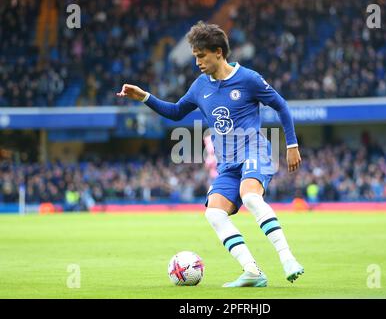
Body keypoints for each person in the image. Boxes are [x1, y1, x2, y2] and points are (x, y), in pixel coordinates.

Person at [117, 21, 304, 287]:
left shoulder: (248, 79)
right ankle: (253, 271)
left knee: (250, 196)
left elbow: (281, 105)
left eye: (201, 56)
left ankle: (288, 259)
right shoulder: (199, 86)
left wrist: (292, 145)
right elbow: (175, 112)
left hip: (255, 150)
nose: (197, 62)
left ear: (218, 52)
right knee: (214, 214)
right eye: (195, 56)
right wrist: (145, 96)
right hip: (227, 163)